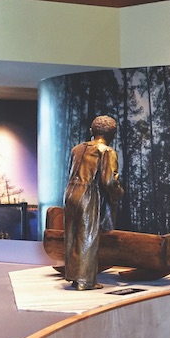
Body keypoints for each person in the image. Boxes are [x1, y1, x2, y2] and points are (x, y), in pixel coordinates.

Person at [64, 115, 125, 290]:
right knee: (87, 237)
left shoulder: (77, 149)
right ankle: (85, 280)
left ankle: (73, 275)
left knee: (71, 235)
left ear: (92, 131)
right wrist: (118, 193)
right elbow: (109, 181)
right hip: (88, 193)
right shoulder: (106, 151)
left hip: (70, 192)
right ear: (112, 134)